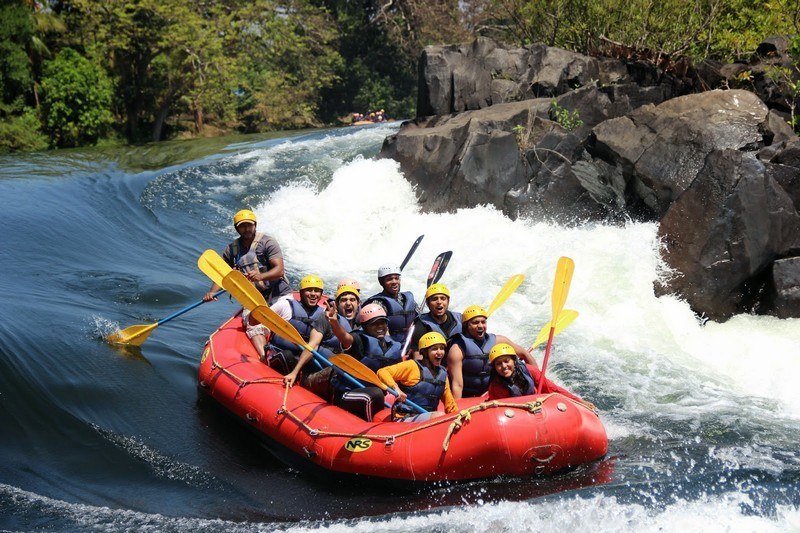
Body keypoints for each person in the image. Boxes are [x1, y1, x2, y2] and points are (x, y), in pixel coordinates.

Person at [203, 209, 292, 360]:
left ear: (255, 225)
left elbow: (279, 270)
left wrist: (260, 276)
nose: (246, 229)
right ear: (237, 228)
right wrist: (212, 292)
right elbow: (222, 274)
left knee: (281, 321)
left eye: (249, 225)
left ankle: (284, 350)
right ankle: (265, 357)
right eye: (242, 226)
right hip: (253, 300)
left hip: (279, 295)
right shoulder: (232, 249)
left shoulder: (267, 242)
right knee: (253, 324)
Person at [447, 305, 538, 399]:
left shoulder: (499, 341)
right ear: (466, 325)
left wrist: (537, 382)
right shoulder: (457, 349)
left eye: (483, 322)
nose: (480, 326)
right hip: (469, 395)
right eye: (475, 323)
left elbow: (524, 354)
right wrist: (457, 408)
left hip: (496, 391)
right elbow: (457, 385)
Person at [324, 302, 389, 421]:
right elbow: (344, 337)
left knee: (379, 394)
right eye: (374, 324)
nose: (380, 326)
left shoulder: (390, 345)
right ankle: (373, 430)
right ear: (365, 327)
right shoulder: (358, 339)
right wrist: (334, 322)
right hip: (348, 393)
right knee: (375, 394)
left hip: (373, 391)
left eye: (383, 323)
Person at [486, 343, 596, 410]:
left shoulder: (530, 371)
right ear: (494, 367)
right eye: (498, 364)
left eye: (506, 361)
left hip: (537, 406)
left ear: (514, 361)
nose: (504, 366)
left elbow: (553, 389)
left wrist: (579, 402)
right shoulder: (496, 386)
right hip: (516, 415)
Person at [377, 332, 459, 422]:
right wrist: (396, 389)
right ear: (424, 352)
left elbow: (450, 405)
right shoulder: (412, 366)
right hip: (404, 418)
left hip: (427, 419)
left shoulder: (442, 374)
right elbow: (382, 372)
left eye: (442, 348)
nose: (440, 352)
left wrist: (458, 417)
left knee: (442, 416)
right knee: (439, 416)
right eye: (434, 349)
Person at [267, 275, 338, 372]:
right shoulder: (285, 305)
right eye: (309, 290)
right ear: (301, 292)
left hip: (305, 359)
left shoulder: (324, 315)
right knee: (287, 356)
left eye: (317, 291)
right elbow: (261, 323)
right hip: (280, 352)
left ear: (321, 294)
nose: (313, 294)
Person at [364, 265, 417, 344]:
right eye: (389, 279)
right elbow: (380, 329)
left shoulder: (407, 298)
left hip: (410, 341)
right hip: (390, 344)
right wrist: (393, 346)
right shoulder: (378, 303)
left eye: (396, 278)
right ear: (382, 282)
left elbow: (418, 320)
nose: (394, 282)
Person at [408, 283, 462, 359]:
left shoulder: (459, 319)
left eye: (443, 298)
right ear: (428, 303)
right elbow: (418, 357)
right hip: (434, 366)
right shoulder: (421, 325)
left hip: (457, 363)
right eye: (434, 299)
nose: (439, 302)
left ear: (448, 302)